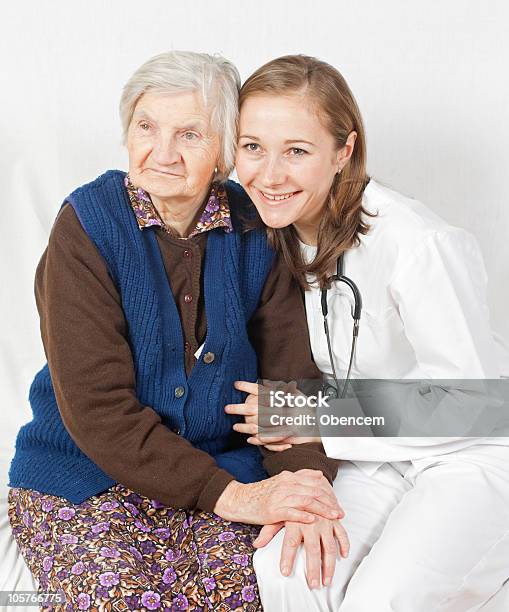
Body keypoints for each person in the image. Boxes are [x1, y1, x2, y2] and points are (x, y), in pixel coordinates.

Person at [7, 51, 345, 610]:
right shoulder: (87, 228)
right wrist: (232, 497)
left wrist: (304, 489)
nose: (161, 153)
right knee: (118, 597)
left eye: (189, 133)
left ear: (225, 151)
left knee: (258, 589)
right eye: (146, 126)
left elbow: (293, 385)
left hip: (223, 468)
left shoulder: (257, 228)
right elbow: (98, 409)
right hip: (85, 477)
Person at [230, 54, 509, 611]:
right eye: (252, 146)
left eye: (297, 151)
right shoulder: (264, 232)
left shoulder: (419, 243)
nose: (269, 173)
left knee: (381, 599)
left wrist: (310, 413)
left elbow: (480, 404)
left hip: (470, 455)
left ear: (344, 151)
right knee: (288, 572)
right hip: (369, 456)